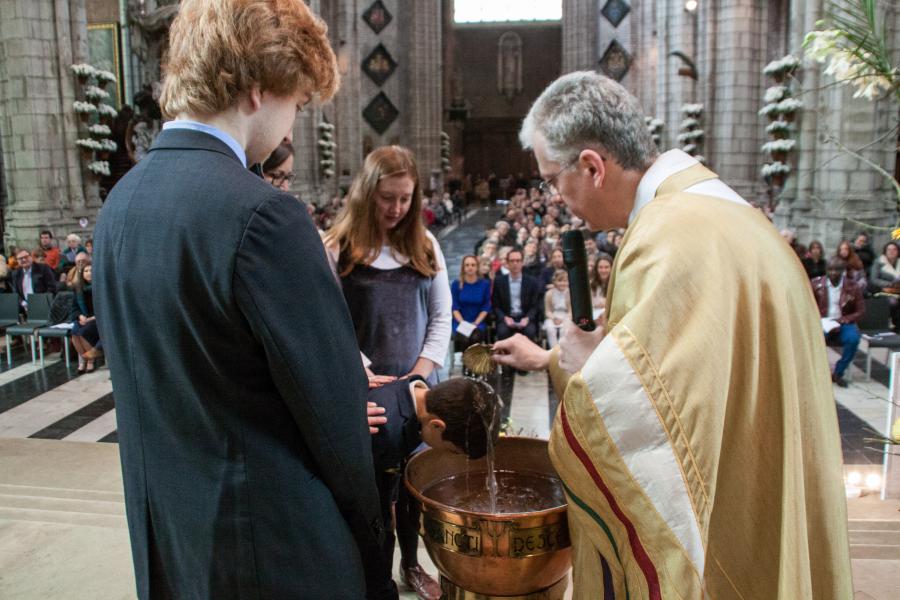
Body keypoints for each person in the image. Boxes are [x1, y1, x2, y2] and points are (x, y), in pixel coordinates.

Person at [490, 71, 850, 598]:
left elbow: (651, 434)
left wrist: (587, 366)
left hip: (720, 527)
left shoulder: (666, 239)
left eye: (551, 180)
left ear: (591, 167)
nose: (555, 196)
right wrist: (556, 359)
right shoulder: (729, 215)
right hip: (762, 489)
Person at [92, 1, 387, 598]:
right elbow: (337, 428)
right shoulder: (264, 215)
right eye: (297, 104)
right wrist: (374, 556)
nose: (291, 126)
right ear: (257, 88)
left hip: (174, 544)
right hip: (274, 554)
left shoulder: (119, 206)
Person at [323, 145, 451, 600]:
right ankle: (375, 575)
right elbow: (329, 321)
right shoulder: (339, 247)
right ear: (366, 193)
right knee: (375, 495)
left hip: (417, 389)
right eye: (386, 198)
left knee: (415, 488)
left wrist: (418, 375)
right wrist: (360, 370)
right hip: (368, 392)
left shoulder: (424, 245)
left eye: (404, 199)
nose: (396, 209)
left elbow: (440, 317)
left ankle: (413, 564)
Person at [368, 376, 501, 600]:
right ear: (437, 425)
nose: (449, 456)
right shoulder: (385, 430)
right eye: (452, 451)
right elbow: (373, 504)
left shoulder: (418, 389)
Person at [812, 257, 865, 387]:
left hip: (844, 322)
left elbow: (860, 310)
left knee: (853, 339)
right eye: (830, 269)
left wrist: (843, 320)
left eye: (837, 270)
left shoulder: (853, 286)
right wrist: (818, 320)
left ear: (843, 271)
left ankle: (838, 372)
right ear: (826, 270)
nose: (833, 272)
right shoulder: (816, 284)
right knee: (815, 341)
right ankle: (820, 373)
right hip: (822, 322)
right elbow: (806, 306)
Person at [492, 248, 541, 342]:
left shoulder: (532, 282)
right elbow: (496, 305)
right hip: (507, 317)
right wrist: (504, 318)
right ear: (507, 263)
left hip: (525, 317)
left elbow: (535, 305)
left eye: (518, 261)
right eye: (512, 261)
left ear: (522, 263)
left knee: (530, 332)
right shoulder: (499, 281)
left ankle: (527, 357)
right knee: (502, 332)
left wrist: (528, 318)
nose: (515, 263)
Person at [450, 255, 492, 345]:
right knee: (464, 337)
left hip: (478, 321)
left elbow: (486, 306)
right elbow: (455, 307)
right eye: (467, 265)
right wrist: (463, 323)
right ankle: (464, 358)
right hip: (460, 321)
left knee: (475, 337)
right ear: (463, 268)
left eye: (473, 265)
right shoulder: (456, 284)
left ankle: (475, 358)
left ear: (477, 267)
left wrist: (476, 323)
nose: (470, 267)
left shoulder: (485, 284)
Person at [69, 262, 100, 373]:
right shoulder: (78, 289)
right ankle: (84, 359)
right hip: (84, 319)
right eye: (86, 271)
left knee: (84, 332)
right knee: (74, 332)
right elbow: (74, 308)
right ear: (82, 274)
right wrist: (80, 316)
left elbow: (105, 308)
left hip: (98, 320)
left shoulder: (101, 287)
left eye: (91, 270)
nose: (89, 273)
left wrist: (91, 318)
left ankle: (90, 361)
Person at [12, 248, 58, 312]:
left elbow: (52, 287)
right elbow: (15, 292)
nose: (24, 260)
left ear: (31, 257)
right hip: (24, 307)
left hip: (43, 305)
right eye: (20, 258)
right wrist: (23, 303)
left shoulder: (43, 268)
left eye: (26, 257)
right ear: (17, 261)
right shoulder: (16, 273)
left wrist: (40, 302)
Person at [542, 269, 570, 347]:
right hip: (553, 316)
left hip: (566, 316)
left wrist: (564, 319)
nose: (563, 283)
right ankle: (554, 350)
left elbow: (571, 311)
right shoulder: (549, 294)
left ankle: (562, 349)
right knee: (550, 328)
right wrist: (554, 318)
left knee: (564, 329)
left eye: (565, 281)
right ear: (554, 282)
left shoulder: (570, 294)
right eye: (560, 281)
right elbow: (547, 311)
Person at [590, 252, 613, 316]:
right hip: (594, 315)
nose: (603, 270)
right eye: (600, 267)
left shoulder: (616, 284)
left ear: (611, 268)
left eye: (606, 267)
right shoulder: (591, 284)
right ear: (596, 269)